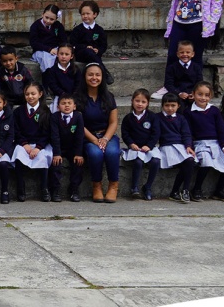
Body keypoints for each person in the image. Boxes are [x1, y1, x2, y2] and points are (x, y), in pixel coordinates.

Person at [76, 63, 121, 203]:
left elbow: (113, 122)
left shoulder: (108, 97)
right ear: (84, 77)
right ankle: (97, 186)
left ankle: (113, 186)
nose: (94, 78)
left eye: (97, 75)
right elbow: (79, 123)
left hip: (107, 135)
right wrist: (95, 140)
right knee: (95, 153)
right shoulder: (77, 97)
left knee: (112, 152)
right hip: (88, 136)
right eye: (90, 74)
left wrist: (105, 139)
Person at [185, 81, 224, 202]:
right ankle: (196, 189)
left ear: (211, 96)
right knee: (206, 163)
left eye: (207, 95)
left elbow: (222, 130)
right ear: (193, 94)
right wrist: (189, 145)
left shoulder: (214, 111)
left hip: (216, 143)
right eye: (200, 94)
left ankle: (219, 190)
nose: (203, 98)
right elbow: (187, 131)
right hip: (200, 144)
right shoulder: (189, 112)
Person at [11, 83, 54, 202]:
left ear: (40, 94)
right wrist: (24, 144)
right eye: (27, 94)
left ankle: (44, 188)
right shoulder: (18, 112)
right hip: (24, 144)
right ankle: (21, 187)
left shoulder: (46, 112)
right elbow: (16, 130)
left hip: (40, 144)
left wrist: (38, 147)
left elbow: (47, 133)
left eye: (33, 94)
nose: (30, 96)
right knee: (19, 156)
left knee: (43, 158)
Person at [121, 89, 160, 201]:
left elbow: (156, 133)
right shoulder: (128, 118)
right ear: (132, 101)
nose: (140, 104)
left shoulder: (152, 117)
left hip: (148, 147)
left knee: (155, 161)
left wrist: (149, 145)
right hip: (135, 148)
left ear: (147, 103)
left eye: (143, 102)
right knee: (138, 162)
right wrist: (131, 144)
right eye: (137, 101)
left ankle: (147, 187)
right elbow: (125, 133)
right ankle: (134, 187)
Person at [158, 93, 197, 203]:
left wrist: (188, 146)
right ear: (162, 106)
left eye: (173, 105)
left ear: (178, 106)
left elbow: (186, 134)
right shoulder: (158, 118)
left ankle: (184, 190)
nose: (170, 108)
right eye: (167, 105)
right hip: (167, 147)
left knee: (189, 161)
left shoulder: (181, 118)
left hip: (180, 146)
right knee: (185, 164)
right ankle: (175, 191)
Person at [49, 93, 85, 203]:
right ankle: (55, 190)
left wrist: (78, 153)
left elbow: (80, 136)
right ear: (58, 106)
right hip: (59, 147)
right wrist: (57, 153)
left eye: (69, 103)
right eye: (63, 103)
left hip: (73, 148)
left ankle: (74, 189)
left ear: (74, 106)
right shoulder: (55, 117)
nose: (67, 106)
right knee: (55, 164)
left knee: (78, 164)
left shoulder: (78, 116)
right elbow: (54, 136)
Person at [69, 0, 111, 85]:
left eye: (88, 14)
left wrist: (98, 50)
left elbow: (103, 45)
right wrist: (85, 47)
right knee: (88, 51)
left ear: (94, 14)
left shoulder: (99, 30)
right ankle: (104, 72)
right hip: (81, 54)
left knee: (91, 53)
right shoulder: (77, 30)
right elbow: (73, 44)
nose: (85, 16)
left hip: (95, 55)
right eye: (83, 14)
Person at [162, 39, 202, 108]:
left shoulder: (196, 67)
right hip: (177, 94)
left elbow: (199, 82)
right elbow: (168, 84)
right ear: (177, 54)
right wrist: (179, 93)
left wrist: (193, 93)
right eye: (182, 52)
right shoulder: (172, 67)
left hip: (192, 94)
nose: (185, 54)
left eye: (188, 52)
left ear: (192, 54)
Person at [29, 5, 66, 72]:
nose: (48, 21)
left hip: (55, 50)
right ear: (42, 14)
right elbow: (34, 43)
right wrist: (49, 49)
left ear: (56, 18)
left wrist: (60, 50)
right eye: (46, 17)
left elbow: (63, 40)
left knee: (62, 57)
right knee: (46, 58)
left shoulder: (58, 26)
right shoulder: (35, 26)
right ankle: (49, 76)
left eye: (52, 19)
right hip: (40, 51)